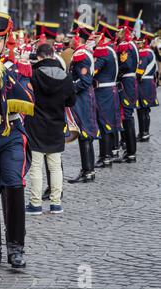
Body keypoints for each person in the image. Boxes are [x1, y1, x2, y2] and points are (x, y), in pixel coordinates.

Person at [0, 0, 35, 269]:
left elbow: (28, 99)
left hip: (10, 131)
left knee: (13, 184)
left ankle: (16, 247)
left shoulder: (17, 66)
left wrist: (5, 77)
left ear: (5, 40)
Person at [25, 43, 75, 215]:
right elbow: (71, 102)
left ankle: (35, 204)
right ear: (53, 55)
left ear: (38, 57)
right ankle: (56, 203)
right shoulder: (66, 76)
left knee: (36, 166)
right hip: (56, 124)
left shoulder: (33, 75)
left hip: (36, 124)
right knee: (55, 166)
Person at [67, 20, 100, 183]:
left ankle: (88, 171)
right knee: (83, 134)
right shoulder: (81, 52)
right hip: (82, 97)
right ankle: (87, 169)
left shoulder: (81, 55)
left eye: (72, 37)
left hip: (83, 98)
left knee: (85, 134)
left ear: (78, 38)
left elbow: (85, 81)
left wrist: (68, 89)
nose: (70, 40)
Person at [93, 21, 122, 168]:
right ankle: (108, 154)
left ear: (103, 36)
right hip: (109, 90)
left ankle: (105, 156)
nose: (95, 40)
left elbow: (93, 71)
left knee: (104, 124)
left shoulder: (104, 51)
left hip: (104, 92)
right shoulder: (110, 49)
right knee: (108, 123)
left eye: (97, 37)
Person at [114, 15, 140, 163]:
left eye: (119, 31)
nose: (117, 33)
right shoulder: (130, 44)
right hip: (129, 81)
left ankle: (131, 152)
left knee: (128, 117)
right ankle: (128, 150)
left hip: (127, 82)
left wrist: (115, 73)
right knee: (126, 117)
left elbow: (125, 65)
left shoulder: (126, 45)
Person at [136, 30, 159, 142]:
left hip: (143, 83)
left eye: (139, 42)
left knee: (143, 109)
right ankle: (143, 132)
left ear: (144, 41)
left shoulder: (144, 52)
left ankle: (144, 132)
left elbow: (140, 70)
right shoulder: (148, 51)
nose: (137, 44)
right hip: (147, 82)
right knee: (143, 109)